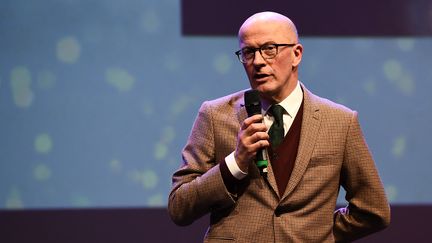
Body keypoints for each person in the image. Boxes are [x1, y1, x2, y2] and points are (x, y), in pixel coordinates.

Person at [168, 11, 390, 242]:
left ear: (296, 54)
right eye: (248, 52)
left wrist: (318, 234)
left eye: (269, 49)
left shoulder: (340, 121)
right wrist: (235, 163)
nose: (258, 62)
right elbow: (179, 207)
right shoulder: (215, 115)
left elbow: (373, 210)